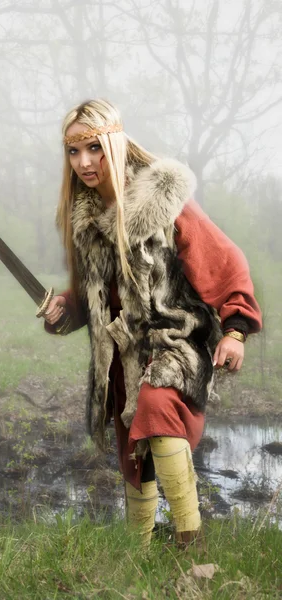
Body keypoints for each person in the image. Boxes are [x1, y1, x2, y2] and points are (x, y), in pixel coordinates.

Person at [43, 99, 262, 547]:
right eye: (73, 151)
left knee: (157, 407)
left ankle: (189, 539)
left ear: (114, 142)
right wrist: (64, 308)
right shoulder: (85, 220)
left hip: (175, 339)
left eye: (93, 148)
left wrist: (236, 329)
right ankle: (138, 549)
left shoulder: (162, 198)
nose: (84, 162)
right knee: (132, 451)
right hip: (122, 350)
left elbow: (225, 260)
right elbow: (92, 294)